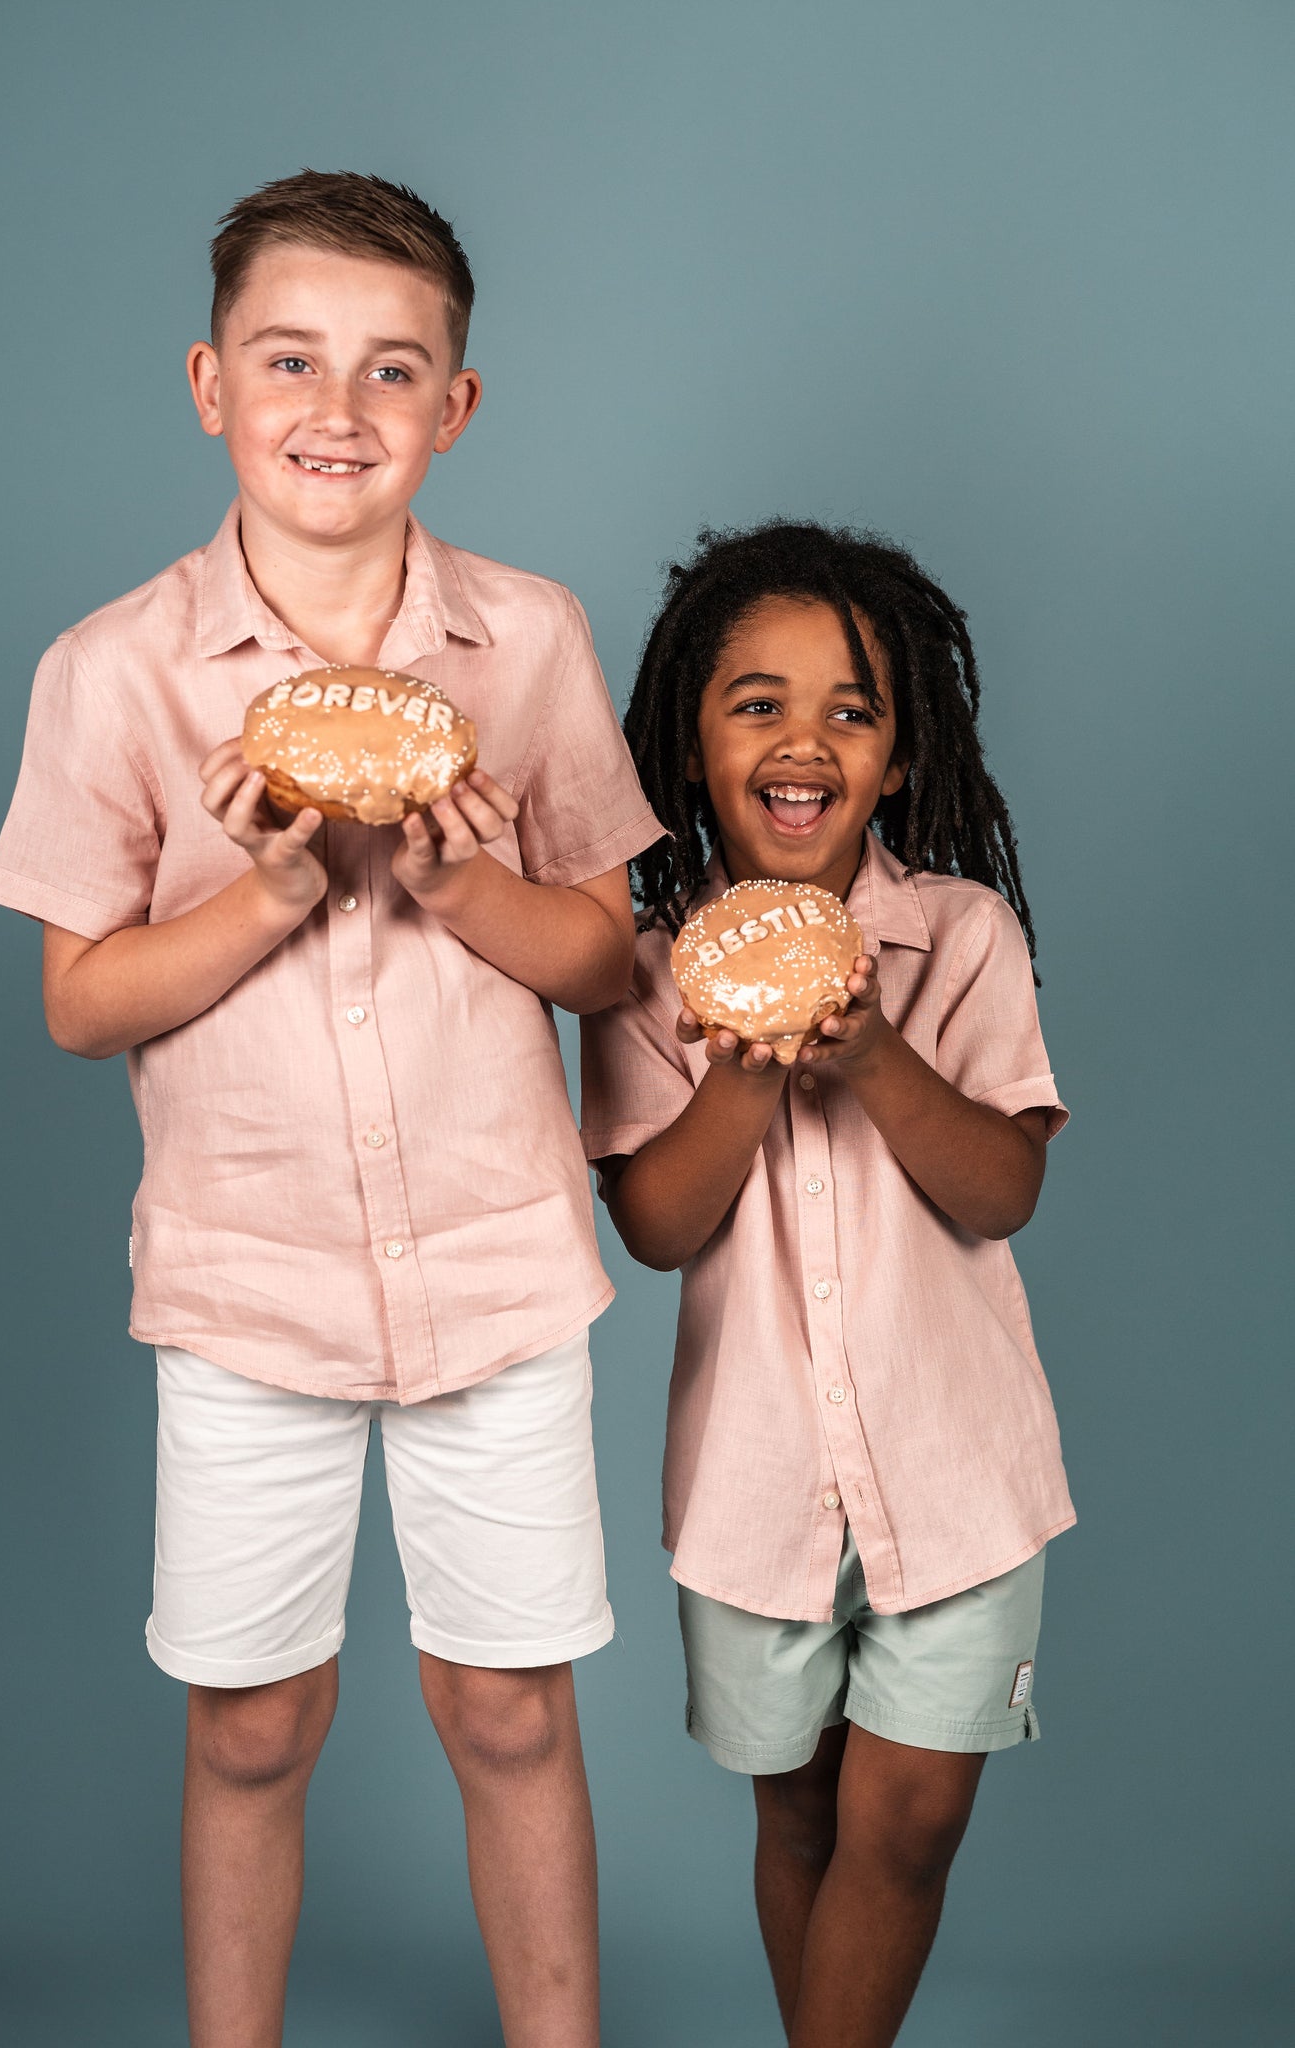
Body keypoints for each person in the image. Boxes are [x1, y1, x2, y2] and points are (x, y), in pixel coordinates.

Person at [0, 168, 662, 2048]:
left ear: (454, 406)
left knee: (510, 1707)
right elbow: (74, 1002)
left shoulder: (526, 643)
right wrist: (269, 892)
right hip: (244, 1285)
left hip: (497, 1270)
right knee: (256, 1719)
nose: (335, 413)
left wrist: (461, 889)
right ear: (211, 383)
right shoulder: (109, 673)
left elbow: (607, 960)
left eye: (390, 371)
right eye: (291, 362)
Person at [580, 520, 1075, 2048]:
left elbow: (1005, 1189)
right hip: (757, 1487)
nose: (804, 742)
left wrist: (863, 1046)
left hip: (961, 1476)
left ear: (897, 759)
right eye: (757, 704)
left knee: (907, 1822)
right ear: (688, 744)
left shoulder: (961, 937)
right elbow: (654, 1225)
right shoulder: (640, 969)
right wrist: (739, 1077)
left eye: (849, 710)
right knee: (798, 1817)